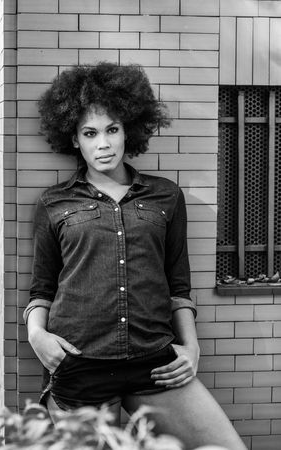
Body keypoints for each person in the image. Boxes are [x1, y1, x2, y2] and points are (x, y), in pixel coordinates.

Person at [24, 62, 246, 450]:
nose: (103, 144)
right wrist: (37, 335)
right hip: (79, 365)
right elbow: (42, 287)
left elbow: (179, 285)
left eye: (112, 130)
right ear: (75, 140)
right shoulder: (53, 203)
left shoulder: (166, 196)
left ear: (128, 130)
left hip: (155, 363)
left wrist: (191, 348)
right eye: (90, 133)